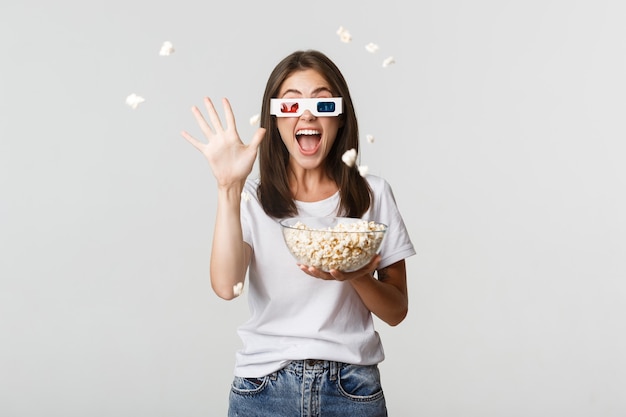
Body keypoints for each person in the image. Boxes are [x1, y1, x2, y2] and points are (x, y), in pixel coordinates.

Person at [181, 49, 416, 417]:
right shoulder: (250, 200)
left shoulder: (374, 194)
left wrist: (356, 276)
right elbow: (226, 287)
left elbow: (397, 310)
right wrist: (228, 187)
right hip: (263, 388)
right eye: (290, 107)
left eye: (323, 105)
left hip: (351, 389)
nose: (306, 114)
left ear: (340, 118)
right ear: (274, 120)